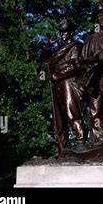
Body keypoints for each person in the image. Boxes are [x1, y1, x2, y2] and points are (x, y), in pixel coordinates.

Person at [41, 19, 86, 153]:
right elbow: (43, 60)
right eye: (61, 32)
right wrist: (48, 46)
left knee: (73, 113)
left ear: (71, 32)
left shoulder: (76, 46)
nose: (62, 34)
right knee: (58, 118)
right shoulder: (58, 50)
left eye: (65, 31)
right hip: (57, 85)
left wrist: (55, 75)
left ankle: (81, 141)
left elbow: (74, 65)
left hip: (69, 83)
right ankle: (62, 147)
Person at [80, 4, 103, 143]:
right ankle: (98, 140)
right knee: (95, 110)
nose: (101, 19)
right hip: (94, 78)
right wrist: (95, 58)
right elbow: (82, 60)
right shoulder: (90, 39)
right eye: (98, 16)